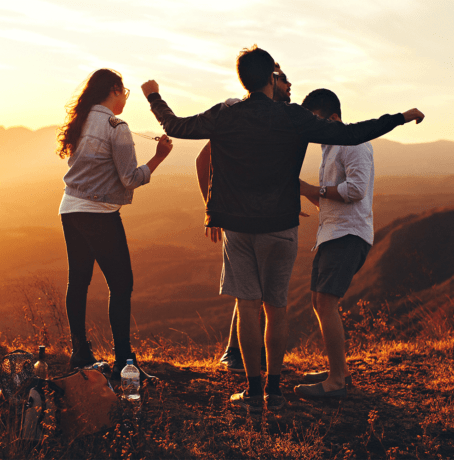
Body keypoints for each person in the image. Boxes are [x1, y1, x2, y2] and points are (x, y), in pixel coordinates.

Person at [141, 45, 424, 412]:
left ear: (243, 79)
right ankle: (275, 391)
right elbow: (352, 133)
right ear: (272, 79)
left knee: (248, 307)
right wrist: (399, 117)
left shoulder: (225, 115)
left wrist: (154, 97)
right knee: (277, 308)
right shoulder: (291, 117)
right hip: (281, 225)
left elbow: (177, 126)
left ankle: (254, 392)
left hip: (239, 226)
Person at [56, 68, 173, 383]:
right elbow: (130, 178)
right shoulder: (116, 127)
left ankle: (80, 353)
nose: (125, 99)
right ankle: (125, 363)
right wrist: (159, 156)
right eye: (125, 92)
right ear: (114, 90)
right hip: (99, 213)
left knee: (78, 281)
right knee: (121, 285)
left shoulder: (81, 121)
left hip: (70, 208)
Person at [195, 64, 294, 374]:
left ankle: (245, 358)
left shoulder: (274, 118)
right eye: (284, 79)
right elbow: (203, 159)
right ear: (270, 80)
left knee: (254, 292)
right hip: (242, 217)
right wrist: (213, 209)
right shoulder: (239, 114)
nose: (291, 86)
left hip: (263, 214)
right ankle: (237, 355)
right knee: (250, 293)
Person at [293, 89, 376, 398]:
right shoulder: (330, 147)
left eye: (312, 120)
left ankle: (337, 382)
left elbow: (354, 190)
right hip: (332, 233)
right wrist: (304, 191)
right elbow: (330, 197)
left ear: (330, 116)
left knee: (326, 302)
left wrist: (314, 188)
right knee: (319, 301)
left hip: (348, 235)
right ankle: (337, 370)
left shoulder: (351, 142)